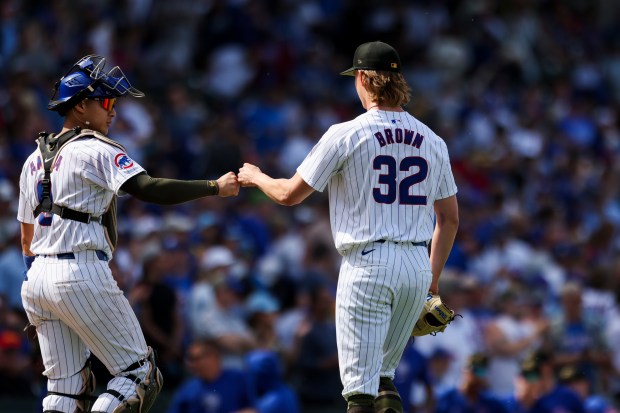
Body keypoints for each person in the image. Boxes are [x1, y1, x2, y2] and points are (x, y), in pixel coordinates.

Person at [238, 40, 459, 413]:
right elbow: (450, 219)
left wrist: (257, 177)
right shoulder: (433, 140)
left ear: (363, 79)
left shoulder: (346, 133)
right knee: (384, 378)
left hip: (368, 264)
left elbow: (289, 195)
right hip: (417, 266)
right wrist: (432, 280)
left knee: (359, 393)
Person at [18, 55, 239, 413]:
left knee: (65, 390)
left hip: (37, 279)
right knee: (139, 374)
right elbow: (148, 188)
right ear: (80, 105)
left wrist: (39, 295)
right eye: (106, 101)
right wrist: (214, 186)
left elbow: (26, 239)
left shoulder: (32, 161)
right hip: (79, 270)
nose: (113, 111)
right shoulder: (95, 148)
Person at [167, 339, 255, 413]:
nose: (191, 364)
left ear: (213, 357)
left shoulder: (238, 378)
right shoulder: (187, 389)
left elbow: (252, 410)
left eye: (195, 359)